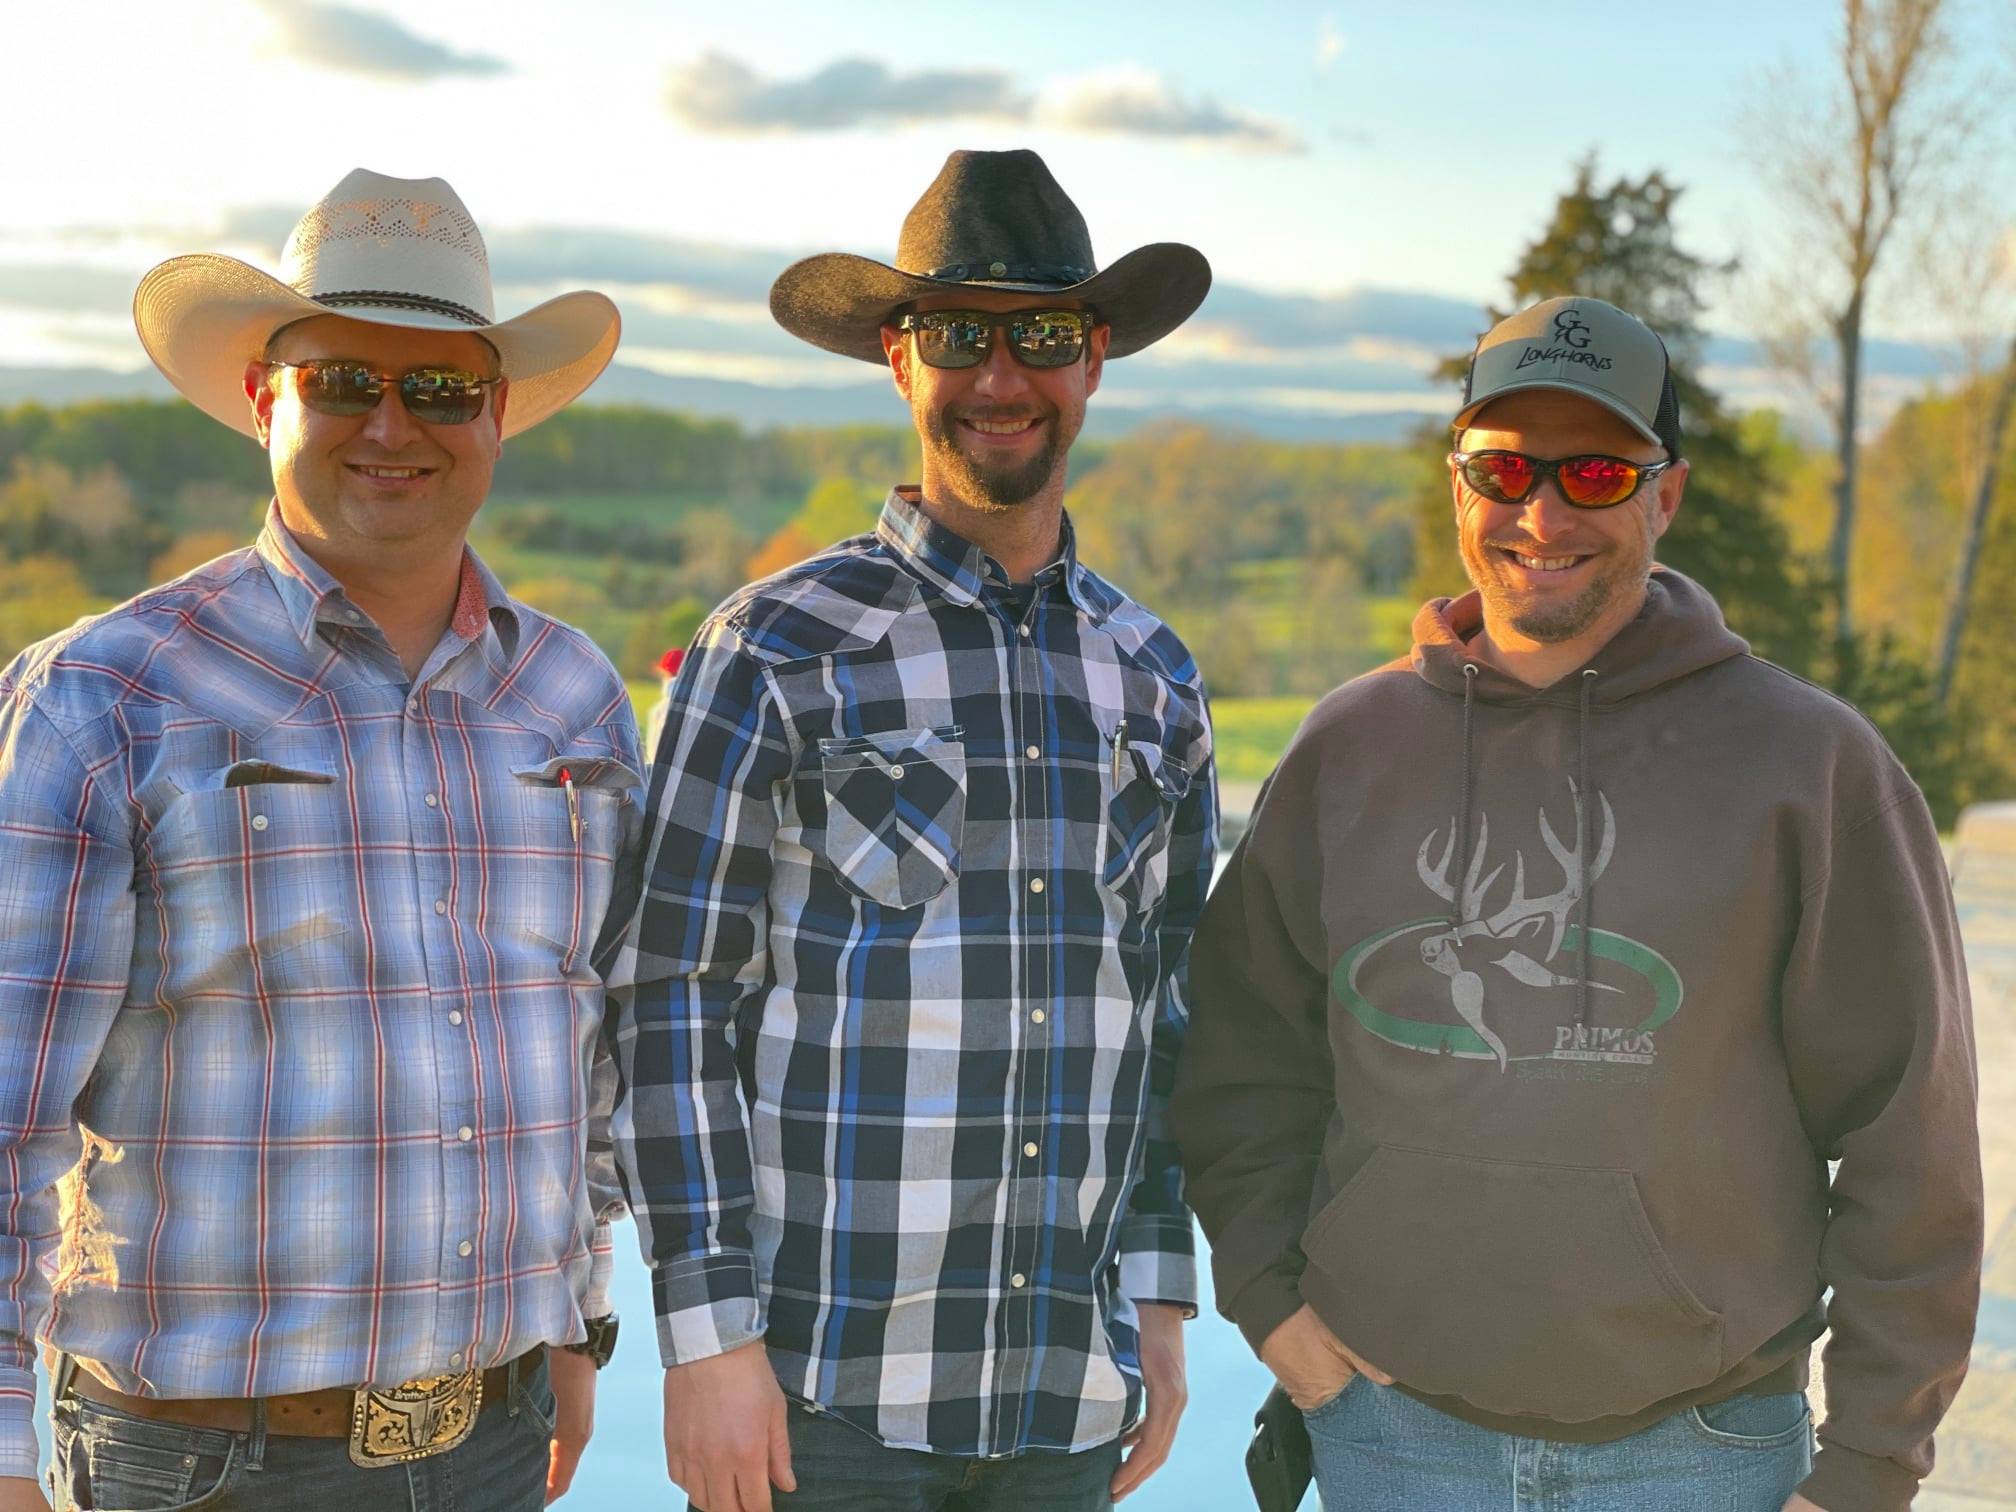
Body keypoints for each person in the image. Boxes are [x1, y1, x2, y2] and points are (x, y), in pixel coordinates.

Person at [1171, 296, 1982, 1512]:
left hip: (1703, 1452)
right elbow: (1242, 1056)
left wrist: (1868, 1467)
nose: (1542, 514)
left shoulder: (1808, 765)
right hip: (1391, 1435)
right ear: (1458, 488)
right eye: (1504, 469)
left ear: (1665, 496)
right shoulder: (1350, 745)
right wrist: (1269, 1302)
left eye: (1596, 471)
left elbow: (1907, 1140)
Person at [0, 169, 636, 1511]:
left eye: (441, 388)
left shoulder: (573, 697)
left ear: (498, 411)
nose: (391, 425)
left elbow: (582, 1036)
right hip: (197, 1463)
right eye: (344, 379)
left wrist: (578, 1315)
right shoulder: (106, 695)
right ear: (261, 400)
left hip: (497, 1442)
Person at [612, 149, 1217, 1512]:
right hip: (818, 1399)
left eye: (1043, 336)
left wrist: (1162, 1295)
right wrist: (706, 1340)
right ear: (899, 360)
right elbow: (670, 1003)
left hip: (1068, 1390)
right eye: (959, 336)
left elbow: (1169, 1006)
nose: (1002, 378)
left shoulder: (1155, 673)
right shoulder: (772, 648)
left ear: (1095, 359)